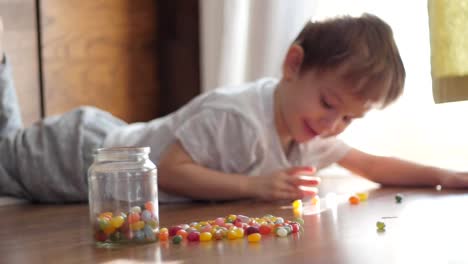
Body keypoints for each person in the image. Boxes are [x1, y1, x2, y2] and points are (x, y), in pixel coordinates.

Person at [1, 14, 467, 203]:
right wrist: (255, 186)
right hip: (86, 155)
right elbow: (169, 169)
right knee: (6, 158)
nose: (333, 124)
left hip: (108, 160)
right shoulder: (237, 116)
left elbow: (372, 164)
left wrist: (445, 176)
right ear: (293, 64)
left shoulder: (311, 132)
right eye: (329, 103)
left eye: (349, 117)